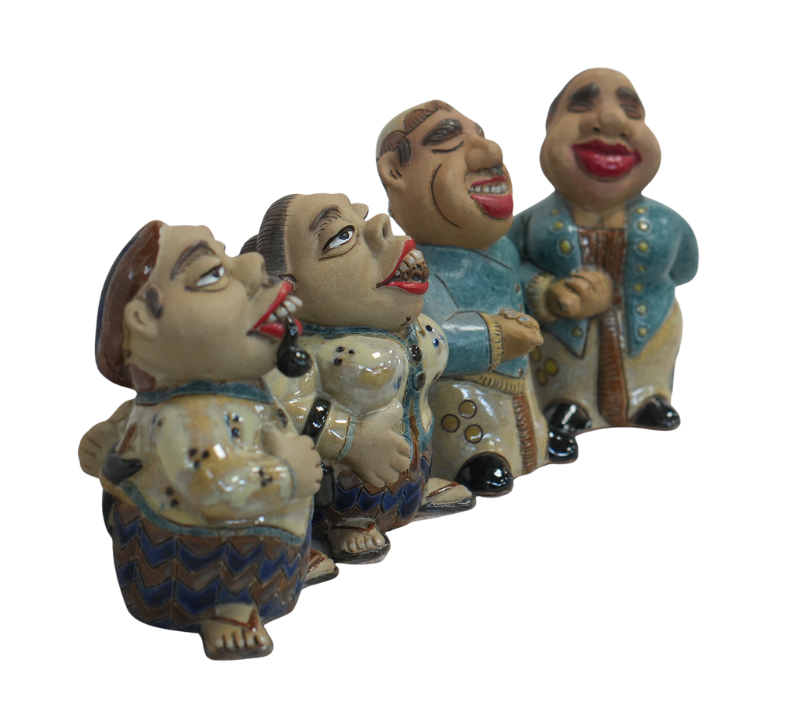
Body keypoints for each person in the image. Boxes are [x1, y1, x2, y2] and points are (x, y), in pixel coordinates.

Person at [85, 221, 324, 660]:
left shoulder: (242, 394)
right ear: (144, 321)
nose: (253, 265)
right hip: (195, 567)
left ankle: (286, 571)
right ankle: (226, 612)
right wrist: (290, 475)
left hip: (269, 548)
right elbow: (215, 485)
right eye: (212, 274)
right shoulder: (183, 416)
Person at [242, 193, 474, 564]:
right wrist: (350, 439)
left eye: (361, 218)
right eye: (341, 237)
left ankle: (412, 498)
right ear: (288, 288)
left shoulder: (412, 327)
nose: (380, 224)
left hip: (413, 464)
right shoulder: (295, 353)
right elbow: (280, 410)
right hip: (340, 490)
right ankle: (344, 523)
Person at [376, 102, 578, 498]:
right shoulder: (412, 269)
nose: (491, 151)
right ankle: (472, 456)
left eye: (481, 136)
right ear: (395, 172)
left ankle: (534, 438)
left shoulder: (503, 248)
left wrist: (548, 294)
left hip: (519, 382)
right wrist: (494, 336)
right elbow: (425, 338)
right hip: (462, 398)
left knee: (525, 410)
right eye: (449, 143)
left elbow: (516, 279)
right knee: (465, 415)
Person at [510, 68, 698, 433]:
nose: (612, 120)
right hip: (560, 337)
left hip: (650, 328)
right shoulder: (532, 223)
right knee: (561, 369)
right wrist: (544, 292)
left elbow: (686, 269)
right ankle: (567, 401)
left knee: (649, 359)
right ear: (550, 125)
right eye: (582, 105)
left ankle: (649, 395)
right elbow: (502, 267)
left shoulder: (669, 223)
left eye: (631, 111)